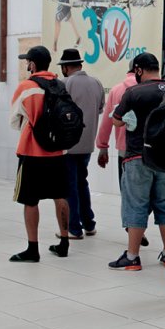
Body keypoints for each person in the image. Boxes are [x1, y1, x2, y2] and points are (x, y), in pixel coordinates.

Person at [107, 52, 165, 271]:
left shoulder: (133, 92)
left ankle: (133, 256)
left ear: (139, 70)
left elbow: (116, 121)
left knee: (136, 204)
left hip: (137, 156)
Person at [9, 45, 70, 262]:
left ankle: (32, 248)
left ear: (32, 64)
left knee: (30, 200)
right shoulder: (60, 85)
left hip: (32, 151)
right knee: (60, 196)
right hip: (58, 151)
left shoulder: (26, 87)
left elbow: (15, 122)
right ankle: (64, 241)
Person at [96, 65, 150, 249]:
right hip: (153, 150)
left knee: (129, 195)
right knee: (153, 195)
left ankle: (133, 229)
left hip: (126, 151)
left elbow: (107, 121)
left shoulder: (118, 90)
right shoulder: (155, 88)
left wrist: (102, 147)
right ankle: (139, 229)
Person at [59, 48, 104, 239]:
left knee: (69, 185)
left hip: (68, 144)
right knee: (81, 181)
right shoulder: (97, 83)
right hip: (87, 143)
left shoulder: (65, 83)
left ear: (67, 67)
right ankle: (89, 224)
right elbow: (100, 108)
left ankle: (74, 228)